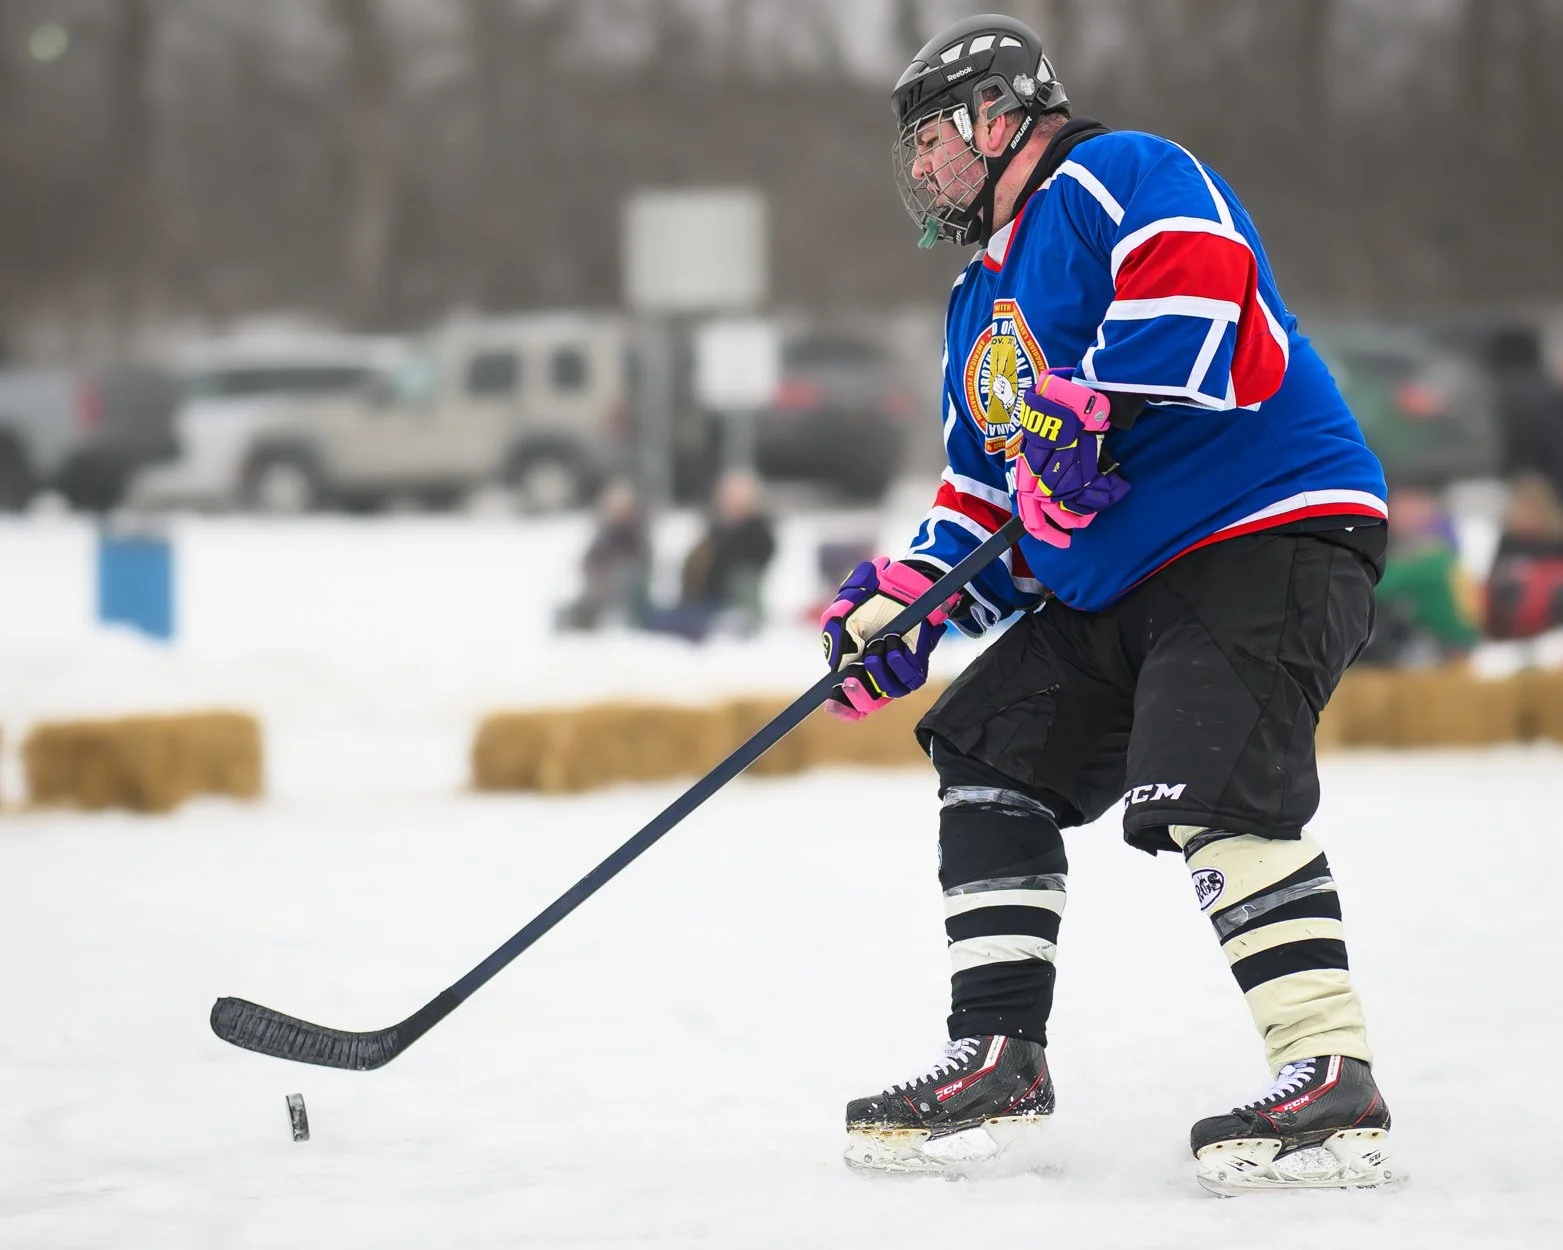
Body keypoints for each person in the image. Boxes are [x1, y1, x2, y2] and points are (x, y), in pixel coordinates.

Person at [819, 15, 1392, 1193]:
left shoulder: (1115, 172)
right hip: (1124, 584)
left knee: (1211, 775)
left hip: (1264, 532)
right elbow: (989, 500)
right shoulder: (976, 307)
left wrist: (1103, 406)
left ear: (997, 119)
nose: (920, 167)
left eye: (932, 137)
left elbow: (1199, 288)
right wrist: (911, 604)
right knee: (986, 750)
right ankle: (999, 1058)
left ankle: (1332, 1080)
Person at [646, 470, 777, 641]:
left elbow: (744, 569)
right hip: (700, 602)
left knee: (679, 622)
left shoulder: (757, 534)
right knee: (656, 617)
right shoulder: (717, 531)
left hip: (726, 606)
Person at [556, 478, 652, 631]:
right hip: (599, 594)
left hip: (627, 599)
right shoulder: (605, 535)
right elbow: (589, 562)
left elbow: (639, 568)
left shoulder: (637, 536)